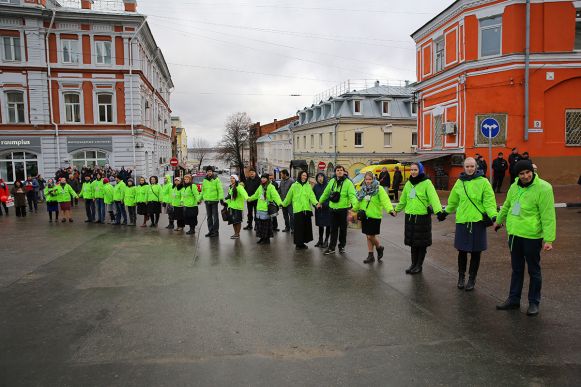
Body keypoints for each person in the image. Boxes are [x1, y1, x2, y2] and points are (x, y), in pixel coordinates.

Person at [494, 160, 556, 316]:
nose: (526, 176)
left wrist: (549, 239)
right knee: (517, 269)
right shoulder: (514, 186)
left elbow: (548, 215)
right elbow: (508, 205)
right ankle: (513, 300)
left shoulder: (544, 188)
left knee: (534, 270)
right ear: (517, 175)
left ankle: (534, 302)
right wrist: (499, 220)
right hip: (514, 234)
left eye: (528, 172)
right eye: (522, 173)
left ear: (533, 171)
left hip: (532, 236)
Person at [438, 158, 497, 290]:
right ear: (463, 168)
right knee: (462, 251)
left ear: (476, 167)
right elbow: (453, 201)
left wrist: (494, 216)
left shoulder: (483, 182)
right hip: (462, 222)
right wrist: (445, 212)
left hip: (477, 222)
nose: (469, 169)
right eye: (467, 166)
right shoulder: (459, 182)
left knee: (476, 253)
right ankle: (461, 277)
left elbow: (489, 202)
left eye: (472, 166)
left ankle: (472, 278)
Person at [394, 162, 443, 274]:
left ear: (420, 170)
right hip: (410, 216)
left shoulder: (427, 183)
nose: (413, 172)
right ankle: (413, 264)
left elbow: (434, 198)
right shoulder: (408, 184)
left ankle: (419, 265)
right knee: (413, 243)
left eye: (415, 170)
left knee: (421, 243)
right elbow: (403, 200)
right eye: (411, 170)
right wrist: (396, 210)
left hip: (422, 218)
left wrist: (439, 211)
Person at [352, 171, 396, 264]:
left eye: (370, 179)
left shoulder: (379, 188)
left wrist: (390, 209)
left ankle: (379, 247)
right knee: (368, 237)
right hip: (365, 216)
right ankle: (370, 255)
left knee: (370, 235)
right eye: (366, 179)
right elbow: (359, 201)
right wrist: (354, 209)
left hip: (375, 216)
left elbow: (385, 200)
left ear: (373, 179)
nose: (368, 181)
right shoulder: (363, 189)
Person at [317, 165, 358, 255]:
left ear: (344, 172)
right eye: (337, 170)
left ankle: (341, 246)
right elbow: (326, 193)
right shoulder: (332, 181)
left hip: (343, 210)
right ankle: (332, 248)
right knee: (333, 229)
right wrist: (320, 202)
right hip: (332, 209)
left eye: (341, 170)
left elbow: (352, 195)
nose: (339, 171)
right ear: (335, 172)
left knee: (343, 229)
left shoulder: (348, 183)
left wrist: (355, 206)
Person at [282, 171, 318, 250]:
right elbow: (289, 196)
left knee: (305, 228)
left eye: (305, 175)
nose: (304, 177)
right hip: (298, 210)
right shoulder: (294, 185)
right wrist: (283, 204)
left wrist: (316, 203)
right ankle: (298, 244)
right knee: (298, 228)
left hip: (306, 209)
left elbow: (311, 196)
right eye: (303, 175)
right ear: (300, 176)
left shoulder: (308, 185)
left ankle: (302, 243)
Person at [248, 173, 283, 244]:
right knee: (260, 225)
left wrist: (280, 203)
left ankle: (266, 239)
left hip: (267, 209)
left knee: (266, 225)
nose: (263, 179)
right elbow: (256, 195)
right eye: (262, 178)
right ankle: (262, 238)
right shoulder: (260, 187)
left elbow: (276, 196)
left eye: (264, 178)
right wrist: (249, 198)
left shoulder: (271, 187)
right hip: (259, 208)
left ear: (267, 179)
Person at [201, 166, 224, 237]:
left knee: (215, 217)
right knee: (209, 217)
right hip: (207, 201)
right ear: (206, 172)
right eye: (208, 171)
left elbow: (220, 190)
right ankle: (210, 231)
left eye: (210, 171)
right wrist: (199, 199)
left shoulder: (216, 179)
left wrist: (221, 199)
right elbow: (203, 191)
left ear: (212, 172)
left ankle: (215, 231)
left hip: (214, 201)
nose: (209, 172)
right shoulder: (204, 180)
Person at [224, 174, 248, 239]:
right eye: (231, 178)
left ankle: (237, 234)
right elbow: (230, 197)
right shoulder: (231, 187)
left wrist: (247, 198)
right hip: (231, 206)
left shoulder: (239, 187)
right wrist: (225, 202)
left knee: (238, 221)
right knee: (233, 221)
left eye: (233, 178)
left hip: (238, 207)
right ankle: (235, 233)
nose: (232, 179)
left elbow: (244, 193)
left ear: (236, 179)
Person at [313, 172, 331, 248]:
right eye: (318, 177)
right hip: (318, 209)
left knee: (328, 225)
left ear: (324, 177)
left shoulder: (328, 186)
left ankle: (326, 241)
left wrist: (324, 204)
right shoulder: (315, 186)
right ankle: (320, 240)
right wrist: (315, 205)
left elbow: (330, 197)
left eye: (321, 176)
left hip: (327, 209)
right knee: (320, 225)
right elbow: (312, 197)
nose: (320, 178)